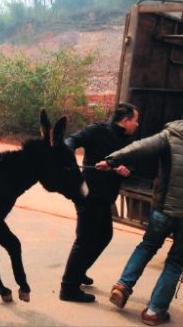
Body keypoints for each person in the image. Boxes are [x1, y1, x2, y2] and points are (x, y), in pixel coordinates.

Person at [96, 107, 183, 326]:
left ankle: (122, 286)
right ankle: (154, 311)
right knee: (176, 262)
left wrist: (110, 160)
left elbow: (139, 148)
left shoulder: (170, 136)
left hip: (164, 209)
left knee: (147, 246)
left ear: (182, 121)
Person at [59, 103, 140, 303]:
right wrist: (67, 155)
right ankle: (68, 288)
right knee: (85, 239)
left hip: (105, 196)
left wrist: (125, 169)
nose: (137, 125)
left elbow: (132, 163)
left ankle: (79, 271)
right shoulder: (97, 130)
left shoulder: (128, 140)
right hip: (89, 193)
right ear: (125, 120)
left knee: (104, 235)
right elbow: (71, 140)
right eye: (135, 120)